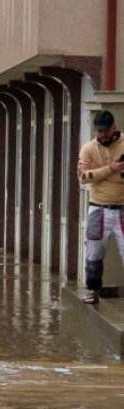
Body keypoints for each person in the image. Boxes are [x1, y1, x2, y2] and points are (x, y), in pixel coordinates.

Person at [77, 110, 124, 304]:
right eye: (99, 131)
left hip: (122, 207)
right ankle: (93, 290)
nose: (102, 135)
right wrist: (110, 170)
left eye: (106, 131)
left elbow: (91, 175)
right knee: (93, 253)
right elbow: (82, 176)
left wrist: (97, 175)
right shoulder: (88, 148)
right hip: (97, 208)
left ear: (114, 127)